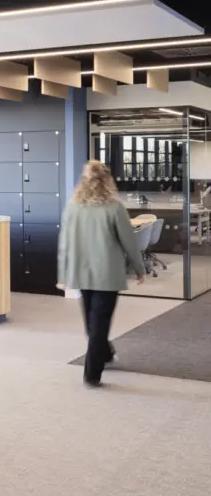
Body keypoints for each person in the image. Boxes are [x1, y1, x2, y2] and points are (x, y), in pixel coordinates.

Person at [57, 160, 145, 389]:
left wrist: (63, 273)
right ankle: (92, 374)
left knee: (92, 322)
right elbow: (129, 242)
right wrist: (139, 268)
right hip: (107, 275)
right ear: (108, 181)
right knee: (98, 323)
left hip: (81, 273)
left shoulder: (72, 207)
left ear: (83, 181)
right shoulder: (114, 207)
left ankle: (104, 353)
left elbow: (64, 244)